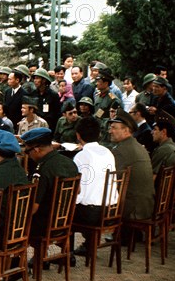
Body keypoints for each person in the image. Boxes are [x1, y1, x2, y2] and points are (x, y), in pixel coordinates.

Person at [20, 127, 79, 262]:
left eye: (28, 152)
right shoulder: (69, 163)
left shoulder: (43, 169)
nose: (28, 156)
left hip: (44, 225)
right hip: (65, 221)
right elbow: (78, 190)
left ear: (36, 149)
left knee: (11, 223)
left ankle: (16, 264)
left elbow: (33, 207)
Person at [71, 117, 116, 256]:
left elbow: (77, 190)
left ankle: (67, 254)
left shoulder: (81, 156)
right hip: (111, 210)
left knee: (61, 210)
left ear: (78, 135)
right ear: (99, 134)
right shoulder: (108, 152)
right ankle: (88, 244)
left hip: (91, 214)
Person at [109, 108, 154, 221]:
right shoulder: (138, 146)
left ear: (126, 130)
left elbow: (111, 181)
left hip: (132, 210)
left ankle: (91, 238)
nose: (110, 131)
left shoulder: (120, 151)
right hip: (146, 206)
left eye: (114, 128)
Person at [151, 110, 175, 178]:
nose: (152, 132)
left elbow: (151, 179)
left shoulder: (162, 150)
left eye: (155, 129)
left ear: (163, 132)